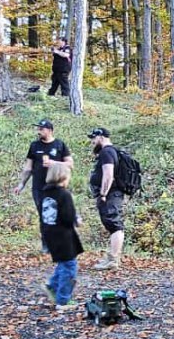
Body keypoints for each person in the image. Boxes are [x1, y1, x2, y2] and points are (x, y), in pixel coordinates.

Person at [15, 120, 73, 240]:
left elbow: (70, 164)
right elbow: (28, 167)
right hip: (38, 187)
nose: (39, 131)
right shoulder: (34, 146)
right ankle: (47, 243)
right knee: (43, 215)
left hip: (56, 186)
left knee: (56, 214)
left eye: (41, 129)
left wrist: (54, 163)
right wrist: (21, 184)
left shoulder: (59, 145)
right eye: (38, 129)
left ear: (50, 130)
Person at [40, 164, 86, 310]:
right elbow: (68, 217)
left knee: (63, 263)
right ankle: (63, 300)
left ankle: (52, 286)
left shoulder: (45, 193)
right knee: (70, 266)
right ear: (63, 177)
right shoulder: (64, 194)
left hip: (49, 234)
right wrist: (77, 220)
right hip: (63, 236)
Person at [87, 127, 126, 269]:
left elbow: (108, 174)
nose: (92, 141)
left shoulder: (107, 152)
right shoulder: (110, 151)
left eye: (94, 138)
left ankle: (113, 260)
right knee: (112, 224)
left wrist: (103, 194)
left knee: (114, 224)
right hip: (112, 193)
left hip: (111, 194)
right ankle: (112, 258)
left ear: (101, 137)